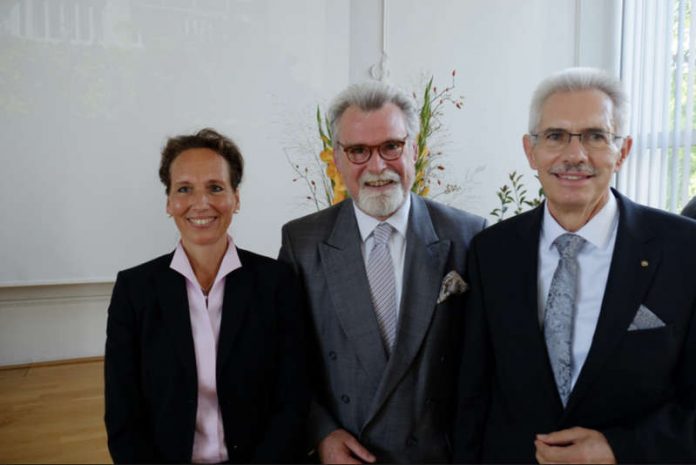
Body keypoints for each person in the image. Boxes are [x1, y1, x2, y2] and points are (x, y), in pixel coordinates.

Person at [453, 67, 696, 463]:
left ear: (624, 150)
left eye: (596, 136)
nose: (574, 155)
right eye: (555, 136)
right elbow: (473, 397)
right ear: (530, 151)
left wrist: (619, 449)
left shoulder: (685, 250)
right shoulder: (491, 251)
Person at [279, 81, 486, 463]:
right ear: (337, 159)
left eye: (391, 146)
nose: (377, 166)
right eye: (358, 151)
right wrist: (321, 433)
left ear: (415, 150)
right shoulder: (302, 243)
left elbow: (486, 365)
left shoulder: (468, 235)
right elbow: (284, 362)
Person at [104, 128, 309, 463]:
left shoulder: (277, 282)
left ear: (236, 198)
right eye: (185, 189)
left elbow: (293, 401)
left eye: (215, 188)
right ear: (169, 202)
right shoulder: (134, 290)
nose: (201, 203)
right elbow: (123, 416)